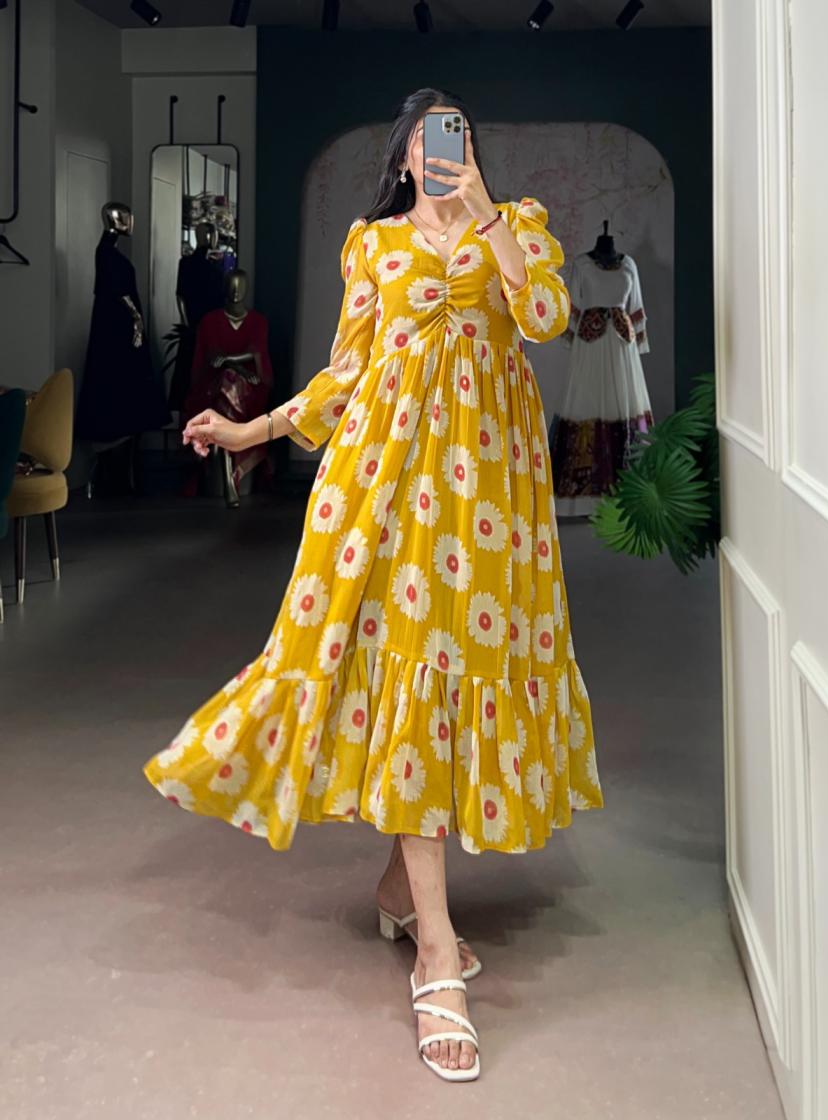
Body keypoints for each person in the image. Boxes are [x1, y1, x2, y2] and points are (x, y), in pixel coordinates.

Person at [144, 87, 605, 1083]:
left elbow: (545, 317)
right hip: (389, 490)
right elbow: (347, 373)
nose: (448, 151)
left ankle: (400, 890)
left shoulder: (516, 226)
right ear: (403, 158)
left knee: (457, 677)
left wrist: (486, 213)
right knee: (411, 677)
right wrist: (252, 429)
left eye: (462, 137)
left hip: (489, 502)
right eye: (433, 141)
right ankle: (436, 952)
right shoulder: (374, 247)